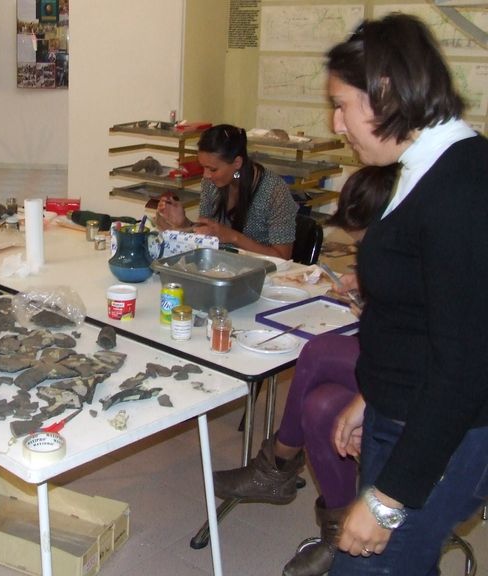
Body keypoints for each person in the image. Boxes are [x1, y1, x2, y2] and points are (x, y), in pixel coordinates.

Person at [325, 14, 488, 574]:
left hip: (441, 440)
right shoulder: (422, 167)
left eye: (342, 105)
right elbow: (418, 314)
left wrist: (387, 499)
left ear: (386, 91)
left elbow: (465, 365)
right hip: (404, 414)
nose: (337, 124)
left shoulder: (463, 188)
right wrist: (372, 396)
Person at [212, 164, 397, 576]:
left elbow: (423, 342)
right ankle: (338, 535)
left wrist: (377, 311)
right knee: (321, 406)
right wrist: (370, 288)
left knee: (317, 353)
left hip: (428, 380)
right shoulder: (402, 253)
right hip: (391, 362)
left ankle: (276, 465)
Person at [156, 124, 299, 259]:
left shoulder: (274, 191)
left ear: (237, 163)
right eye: (203, 167)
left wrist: (233, 237)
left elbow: (282, 257)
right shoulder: (211, 183)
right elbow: (208, 233)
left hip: (263, 271)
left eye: (213, 169)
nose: (206, 175)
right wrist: (183, 224)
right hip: (222, 265)